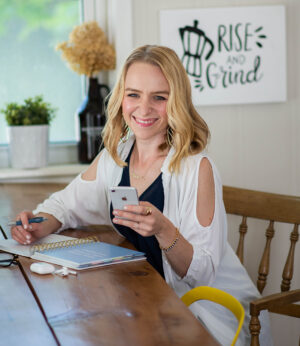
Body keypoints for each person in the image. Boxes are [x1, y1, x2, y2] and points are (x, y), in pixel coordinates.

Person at [11, 45, 272, 346]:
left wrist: (164, 230)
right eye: (134, 94)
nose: (143, 108)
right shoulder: (117, 156)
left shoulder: (197, 168)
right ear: (121, 96)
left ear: (177, 102)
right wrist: (40, 225)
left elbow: (202, 276)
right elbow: (66, 204)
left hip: (207, 314)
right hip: (147, 301)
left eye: (159, 97)